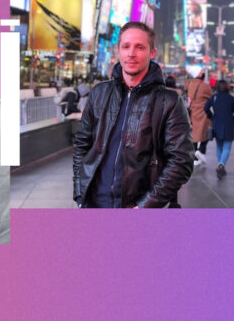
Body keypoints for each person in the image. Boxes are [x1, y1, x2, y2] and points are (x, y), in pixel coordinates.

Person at [73, 22, 194, 208]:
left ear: (152, 53)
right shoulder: (99, 93)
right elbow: (82, 145)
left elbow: (181, 161)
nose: (131, 53)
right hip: (93, 204)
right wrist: (80, 193)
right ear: (118, 51)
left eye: (139, 47)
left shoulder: (169, 102)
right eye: (126, 46)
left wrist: (145, 206)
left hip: (138, 208)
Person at [203, 79, 234, 178]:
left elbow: (205, 108)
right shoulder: (232, 99)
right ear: (227, 87)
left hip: (217, 124)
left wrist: (211, 117)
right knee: (227, 147)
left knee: (219, 146)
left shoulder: (214, 97)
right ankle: (221, 165)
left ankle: (220, 164)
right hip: (229, 125)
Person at [185, 65, 212, 166]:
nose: (202, 73)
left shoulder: (190, 84)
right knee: (206, 132)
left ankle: (195, 157)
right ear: (198, 74)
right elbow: (211, 96)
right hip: (203, 112)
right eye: (201, 72)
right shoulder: (204, 85)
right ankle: (201, 151)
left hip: (193, 112)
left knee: (195, 134)